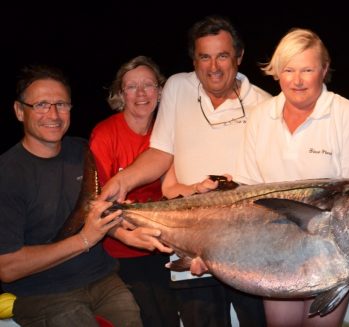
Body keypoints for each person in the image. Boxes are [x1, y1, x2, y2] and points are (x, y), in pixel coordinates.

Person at [99, 16, 270, 326]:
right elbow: (161, 152)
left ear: (239, 56)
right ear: (194, 60)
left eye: (223, 55)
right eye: (204, 56)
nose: (213, 66)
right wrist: (122, 180)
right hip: (189, 241)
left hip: (247, 247)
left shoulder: (266, 105)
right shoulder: (178, 87)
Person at [235, 28, 349, 327]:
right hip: (273, 249)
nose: (297, 80)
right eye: (288, 70)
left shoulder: (347, 115)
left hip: (330, 253)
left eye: (307, 70)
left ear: (323, 70)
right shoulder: (260, 117)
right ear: (276, 72)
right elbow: (246, 192)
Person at [0, 64, 143, 326]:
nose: (53, 114)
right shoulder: (7, 175)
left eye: (61, 104)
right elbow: (7, 268)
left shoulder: (81, 151)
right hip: (43, 292)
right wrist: (85, 239)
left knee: (132, 314)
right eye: (41, 105)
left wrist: (129, 226)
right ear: (20, 111)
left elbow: (98, 209)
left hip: (101, 279)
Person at [89, 55, 180, 326]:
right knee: (145, 316)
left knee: (171, 317)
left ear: (160, 91)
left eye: (148, 85)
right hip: (118, 251)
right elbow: (95, 202)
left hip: (164, 245)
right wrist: (126, 235)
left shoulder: (168, 133)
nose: (141, 94)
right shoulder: (105, 135)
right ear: (120, 94)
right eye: (131, 87)